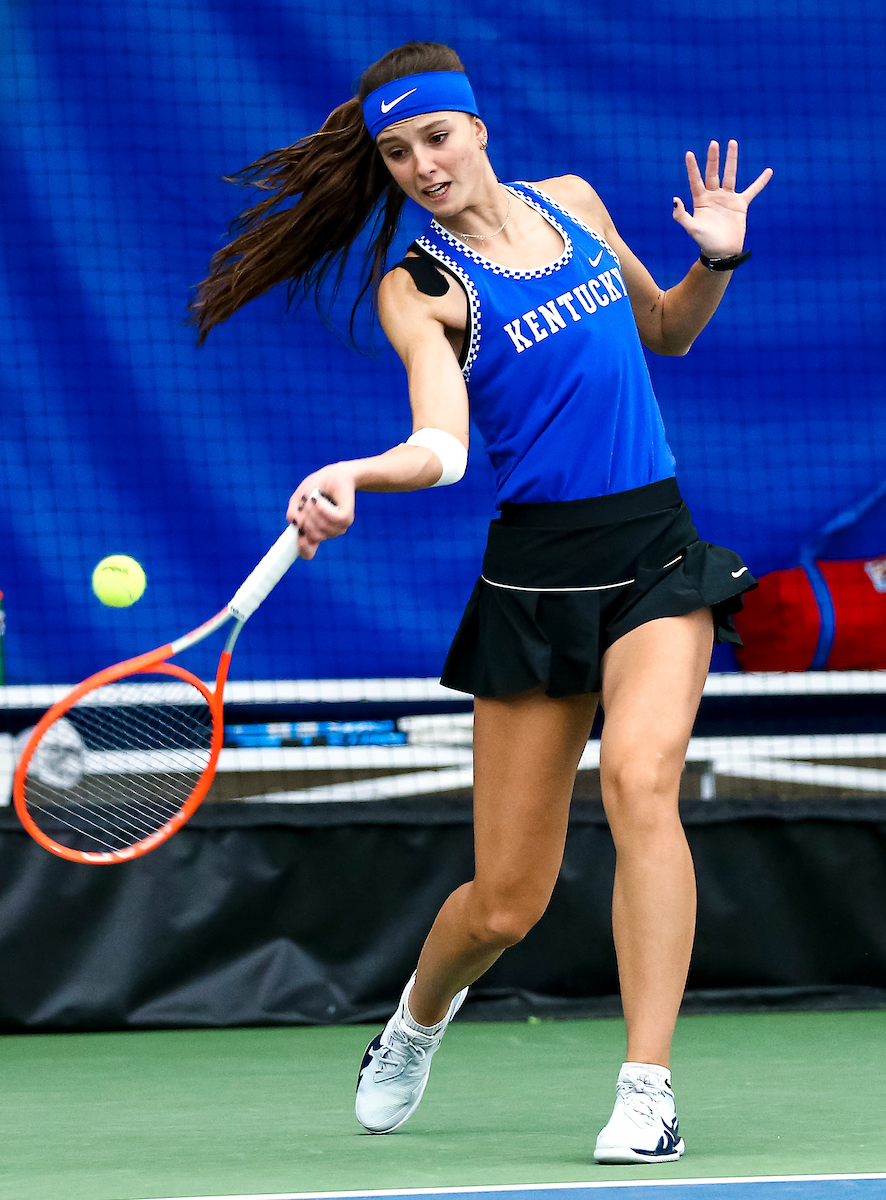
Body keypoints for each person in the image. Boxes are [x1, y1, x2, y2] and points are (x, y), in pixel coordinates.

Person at [193, 41, 771, 1165]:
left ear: (479, 126)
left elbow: (670, 332)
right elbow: (441, 445)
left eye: (437, 136)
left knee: (642, 780)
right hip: (538, 578)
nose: (421, 164)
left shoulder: (577, 205)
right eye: (398, 152)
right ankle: (414, 1022)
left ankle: (646, 1089)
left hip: (656, 549)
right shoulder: (422, 289)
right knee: (506, 904)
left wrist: (716, 262)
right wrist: (360, 473)